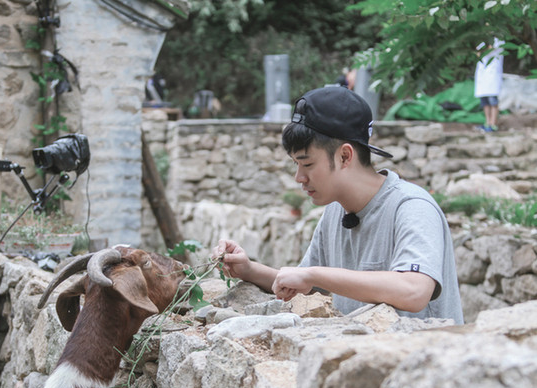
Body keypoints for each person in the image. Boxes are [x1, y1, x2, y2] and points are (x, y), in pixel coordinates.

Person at [212, 86, 464, 324]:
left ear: (345, 156)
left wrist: (314, 275)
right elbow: (302, 284)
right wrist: (248, 269)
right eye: (296, 165)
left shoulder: (411, 206)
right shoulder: (335, 210)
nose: (299, 177)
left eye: (307, 164)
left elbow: (414, 291)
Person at [474, 38, 504, 132]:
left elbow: (489, 49)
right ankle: (487, 123)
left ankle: (493, 124)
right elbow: (478, 52)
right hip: (483, 74)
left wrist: (482, 50)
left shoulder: (498, 39)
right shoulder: (482, 39)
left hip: (492, 73)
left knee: (493, 101)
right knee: (485, 101)